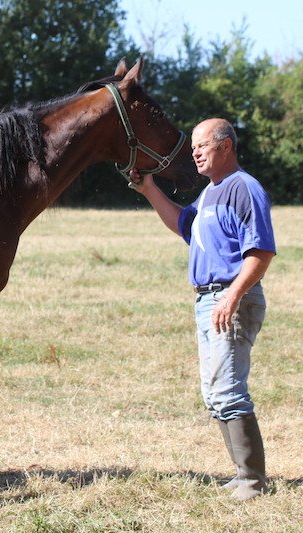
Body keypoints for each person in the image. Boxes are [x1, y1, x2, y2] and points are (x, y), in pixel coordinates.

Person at [130, 118, 276, 501]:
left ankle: (253, 480)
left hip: (232, 298)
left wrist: (232, 296)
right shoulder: (211, 192)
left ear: (226, 146)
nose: (194, 152)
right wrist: (148, 188)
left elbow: (261, 252)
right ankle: (243, 475)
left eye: (202, 145)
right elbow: (183, 224)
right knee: (214, 393)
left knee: (228, 389)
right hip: (208, 300)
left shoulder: (243, 188)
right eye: (193, 146)